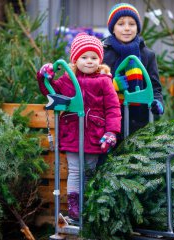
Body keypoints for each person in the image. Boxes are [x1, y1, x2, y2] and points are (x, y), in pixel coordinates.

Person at [37, 33, 121, 219]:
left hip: (94, 134)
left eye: (94, 57)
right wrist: (44, 77)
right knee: (75, 169)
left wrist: (111, 132)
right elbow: (51, 91)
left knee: (89, 170)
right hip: (72, 132)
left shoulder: (104, 81)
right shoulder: (67, 79)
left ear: (100, 60)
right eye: (84, 57)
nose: (89, 61)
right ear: (75, 59)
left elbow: (113, 108)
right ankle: (74, 205)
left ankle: (89, 202)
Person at [103, 2, 164, 136]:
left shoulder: (147, 55)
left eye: (132, 24)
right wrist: (112, 85)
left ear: (137, 28)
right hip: (109, 120)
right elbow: (93, 85)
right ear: (113, 28)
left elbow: (155, 87)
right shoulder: (103, 53)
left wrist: (157, 102)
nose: (127, 28)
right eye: (121, 24)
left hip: (139, 120)